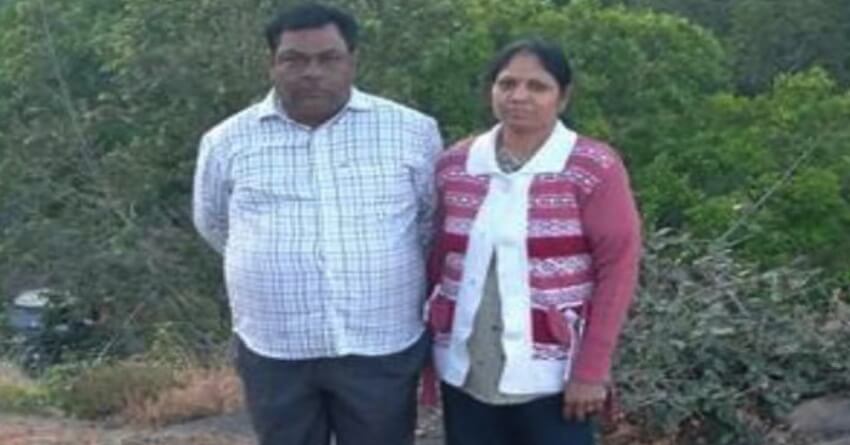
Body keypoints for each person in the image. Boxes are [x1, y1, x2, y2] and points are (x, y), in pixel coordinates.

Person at [192, 4, 442, 445]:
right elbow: (214, 223)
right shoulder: (226, 141)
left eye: (328, 58)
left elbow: (427, 222)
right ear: (271, 63)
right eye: (294, 59)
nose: (312, 72)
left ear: (352, 60)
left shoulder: (412, 131)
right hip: (275, 345)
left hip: (380, 343)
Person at [425, 39, 641, 445]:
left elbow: (618, 268)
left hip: (554, 379)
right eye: (507, 84)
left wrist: (591, 371)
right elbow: (438, 261)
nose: (518, 96)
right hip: (467, 373)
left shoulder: (592, 167)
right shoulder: (457, 165)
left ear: (563, 97)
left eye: (537, 86)